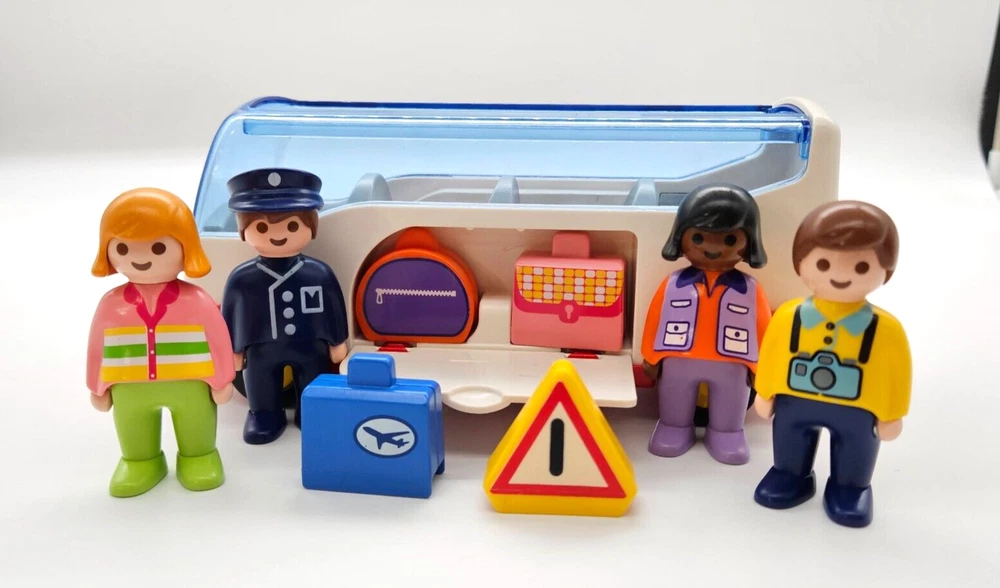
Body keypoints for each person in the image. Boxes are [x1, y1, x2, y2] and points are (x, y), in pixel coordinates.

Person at [753, 200, 911, 527]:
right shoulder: (789, 317)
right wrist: (764, 392)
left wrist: (892, 413)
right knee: (789, 442)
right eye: (823, 263)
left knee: (856, 450)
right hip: (795, 401)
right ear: (800, 262)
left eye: (861, 267)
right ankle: (790, 474)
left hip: (858, 408)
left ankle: (850, 488)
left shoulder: (885, 329)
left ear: (887, 269)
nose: (840, 275)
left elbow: (897, 373)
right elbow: (770, 356)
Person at [87, 188, 235, 497]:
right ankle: (141, 461)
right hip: (129, 385)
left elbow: (218, 339)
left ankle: (199, 457)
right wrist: (96, 386)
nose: (140, 258)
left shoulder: (196, 300)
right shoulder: (111, 304)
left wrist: (222, 380)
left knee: (196, 429)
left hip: (191, 382)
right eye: (124, 248)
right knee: (134, 432)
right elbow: (96, 348)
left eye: (158, 247)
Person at [641, 184, 770, 465]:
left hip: (733, 362)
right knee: (675, 400)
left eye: (729, 239)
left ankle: (727, 433)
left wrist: (762, 368)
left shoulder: (750, 289)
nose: (712, 248)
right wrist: (650, 356)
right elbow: (655, 320)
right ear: (681, 237)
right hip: (677, 358)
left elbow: (763, 329)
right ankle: (674, 426)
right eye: (699, 237)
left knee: (730, 404)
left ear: (749, 241)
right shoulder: (673, 283)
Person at [221, 168, 349, 445]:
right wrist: (233, 351)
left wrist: (337, 340)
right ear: (243, 230)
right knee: (260, 385)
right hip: (260, 349)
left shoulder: (318, 274)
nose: (277, 235)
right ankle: (264, 415)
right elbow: (230, 315)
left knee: (313, 382)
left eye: (292, 226)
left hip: (310, 347)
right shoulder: (242, 278)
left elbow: (334, 308)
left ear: (311, 226)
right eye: (262, 227)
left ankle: (311, 412)